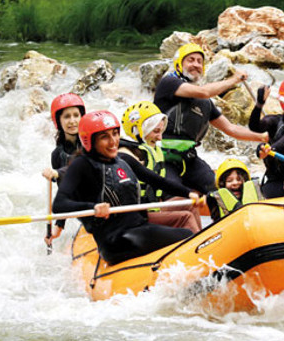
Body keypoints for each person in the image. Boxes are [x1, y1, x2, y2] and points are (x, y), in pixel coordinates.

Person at [52, 110, 196, 265]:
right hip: (116, 240)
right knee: (186, 235)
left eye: (115, 134)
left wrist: (188, 193)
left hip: (139, 227)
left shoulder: (123, 159)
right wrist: (93, 207)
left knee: (183, 233)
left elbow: (157, 181)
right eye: (104, 137)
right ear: (89, 141)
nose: (113, 141)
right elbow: (59, 204)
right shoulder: (81, 166)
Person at [153, 42, 268, 194]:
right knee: (177, 197)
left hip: (189, 159)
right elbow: (203, 92)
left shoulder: (205, 103)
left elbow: (231, 129)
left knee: (221, 193)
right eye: (190, 60)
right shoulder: (168, 83)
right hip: (163, 158)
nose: (196, 64)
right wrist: (234, 79)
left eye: (199, 62)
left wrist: (263, 137)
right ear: (179, 65)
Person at [120, 101, 202, 233]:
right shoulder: (128, 154)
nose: (160, 138)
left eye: (161, 131)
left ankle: (204, 239)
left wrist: (189, 193)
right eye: (156, 131)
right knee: (185, 217)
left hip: (153, 209)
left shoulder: (151, 150)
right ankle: (200, 248)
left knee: (189, 203)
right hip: (137, 217)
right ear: (138, 131)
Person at [41, 93, 85, 245]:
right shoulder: (57, 155)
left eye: (76, 115)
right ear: (58, 121)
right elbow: (64, 193)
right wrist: (58, 227)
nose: (72, 121)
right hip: (85, 209)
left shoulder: (93, 143)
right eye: (67, 117)